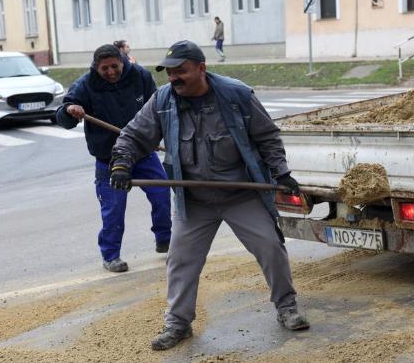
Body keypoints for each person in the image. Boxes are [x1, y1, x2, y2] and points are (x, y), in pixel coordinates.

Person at [110, 40, 309, 351]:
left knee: (271, 247)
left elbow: (267, 136)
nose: (174, 78)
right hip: (194, 201)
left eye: (181, 71)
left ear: (201, 68)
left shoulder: (236, 95)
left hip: (240, 194)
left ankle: (287, 308)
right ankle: (178, 323)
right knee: (180, 260)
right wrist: (122, 163)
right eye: (170, 72)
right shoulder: (163, 100)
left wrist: (281, 172)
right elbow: (134, 135)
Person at [55, 44, 171, 273]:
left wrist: (159, 136)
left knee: (162, 195)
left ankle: (165, 239)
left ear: (123, 61)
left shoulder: (141, 76)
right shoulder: (85, 85)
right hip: (108, 159)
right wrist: (70, 110)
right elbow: (62, 117)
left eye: (114, 66)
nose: (110, 72)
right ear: (95, 67)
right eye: (104, 68)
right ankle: (111, 256)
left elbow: (158, 110)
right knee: (113, 209)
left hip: (142, 152)